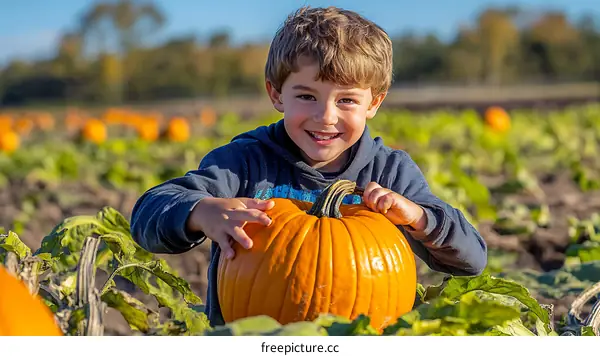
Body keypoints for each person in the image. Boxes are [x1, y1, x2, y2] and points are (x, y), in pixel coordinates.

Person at [130, 6, 487, 327]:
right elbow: (147, 214)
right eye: (306, 96)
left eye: (347, 100)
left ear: (374, 103)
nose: (326, 116)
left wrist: (418, 218)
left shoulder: (389, 172)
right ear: (276, 94)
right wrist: (200, 211)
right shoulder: (245, 163)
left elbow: (472, 260)